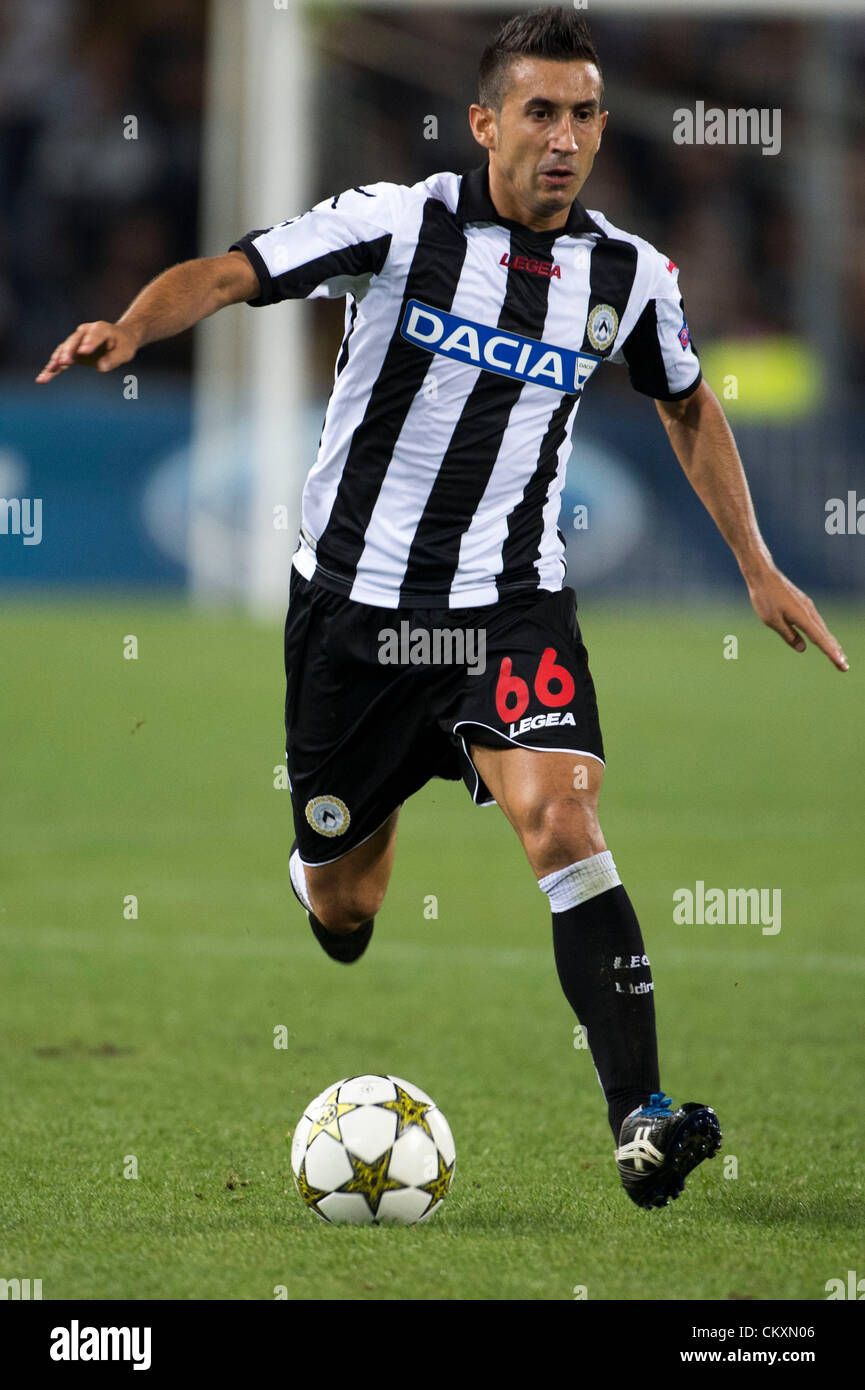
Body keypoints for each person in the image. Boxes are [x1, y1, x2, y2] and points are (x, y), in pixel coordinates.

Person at [36, 7, 847, 1209]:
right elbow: (231, 272)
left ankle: (641, 1115)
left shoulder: (626, 274)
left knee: (562, 820)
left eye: (582, 114)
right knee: (347, 905)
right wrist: (131, 325)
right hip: (351, 618)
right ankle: (327, 861)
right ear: (485, 122)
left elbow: (687, 402)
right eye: (539, 112)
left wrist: (757, 562)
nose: (563, 137)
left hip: (505, 608)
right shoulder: (397, 220)